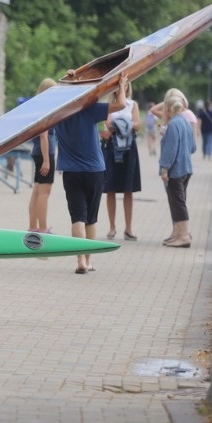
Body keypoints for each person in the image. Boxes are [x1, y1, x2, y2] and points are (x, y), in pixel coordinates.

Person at [55, 72, 129, 274]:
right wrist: (121, 86)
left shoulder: (57, 113)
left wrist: (67, 78)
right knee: (91, 218)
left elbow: (53, 92)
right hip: (94, 170)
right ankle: (88, 261)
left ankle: (79, 259)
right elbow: (121, 104)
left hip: (70, 171)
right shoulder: (89, 109)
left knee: (77, 217)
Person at [100, 81, 141, 241]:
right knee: (110, 188)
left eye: (124, 85)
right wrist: (125, 125)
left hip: (129, 148)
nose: (121, 89)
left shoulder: (132, 104)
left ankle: (128, 228)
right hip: (112, 147)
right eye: (118, 86)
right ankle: (112, 227)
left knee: (128, 188)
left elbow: (138, 125)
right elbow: (108, 123)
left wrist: (120, 126)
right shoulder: (110, 104)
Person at [159, 92, 196, 247]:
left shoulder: (174, 124)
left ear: (168, 108)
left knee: (178, 203)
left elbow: (170, 149)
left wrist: (164, 169)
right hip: (187, 168)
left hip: (176, 170)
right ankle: (179, 234)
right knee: (178, 201)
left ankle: (184, 236)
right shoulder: (186, 122)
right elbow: (193, 147)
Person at [27, 78, 57, 233]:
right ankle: (43, 228)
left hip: (38, 152)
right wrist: (47, 160)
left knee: (37, 191)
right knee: (44, 193)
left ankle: (33, 226)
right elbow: (44, 135)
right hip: (45, 153)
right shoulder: (46, 109)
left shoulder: (37, 106)